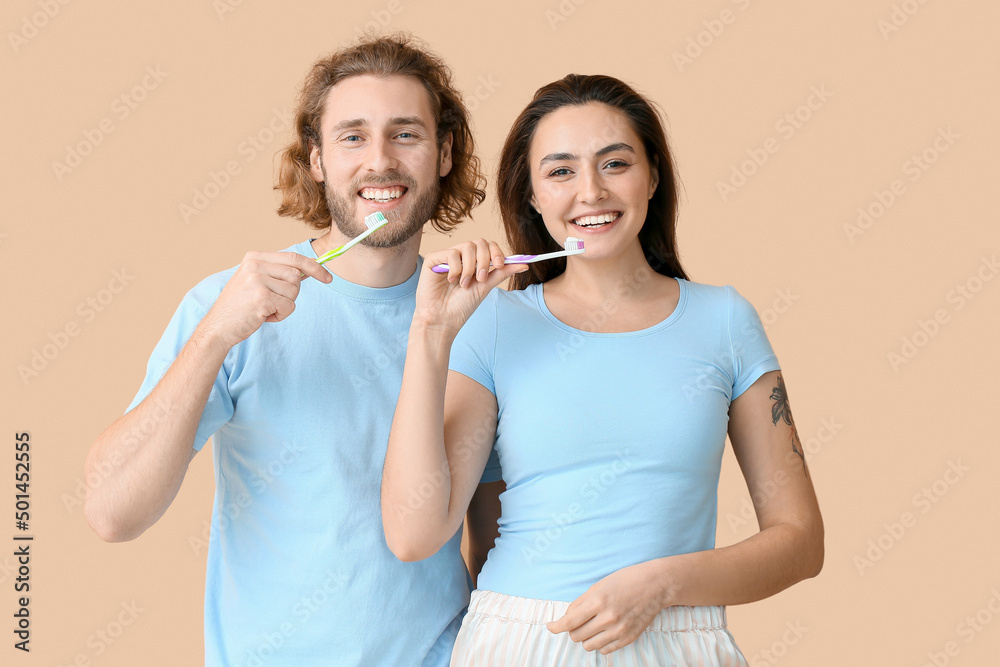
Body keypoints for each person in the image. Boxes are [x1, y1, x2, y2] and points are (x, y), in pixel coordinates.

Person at [83, 34, 505, 667]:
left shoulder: (484, 322)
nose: (380, 161)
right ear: (316, 160)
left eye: (406, 134)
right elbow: (112, 512)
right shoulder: (227, 308)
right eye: (352, 137)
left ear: (444, 154)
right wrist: (217, 335)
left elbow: (496, 545)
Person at [381, 74, 824, 665]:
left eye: (615, 163)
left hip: (680, 639)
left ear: (654, 175)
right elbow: (414, 533)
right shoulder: (493, 324)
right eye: (560, 171)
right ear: (533, 195)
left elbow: (800, 542)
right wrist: (430, 332)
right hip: (521, 642)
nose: (590, 191)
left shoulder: (725, 321)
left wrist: (663, 585)